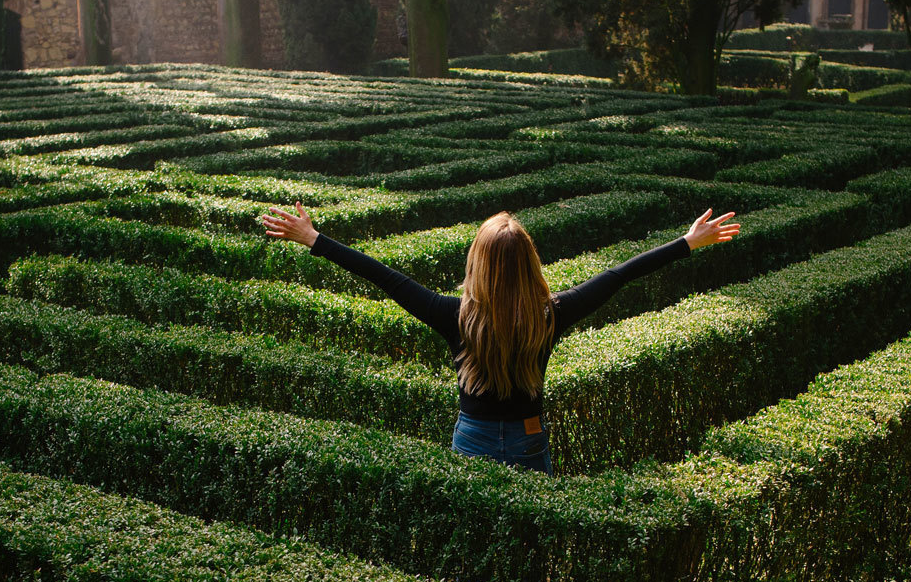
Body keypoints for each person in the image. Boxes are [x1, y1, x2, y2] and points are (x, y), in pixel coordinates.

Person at [261, 202, 739, 473]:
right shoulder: (549, 317)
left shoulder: (455, 317)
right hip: (531, 440)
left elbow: (386, 277)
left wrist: (314, 239)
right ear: (530, 263)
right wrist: (687, 243)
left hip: (473, 439)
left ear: (479, 264)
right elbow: (618, 276)